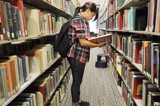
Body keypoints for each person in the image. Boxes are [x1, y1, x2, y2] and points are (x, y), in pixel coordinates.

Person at [67, 2, 107, 106]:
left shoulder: (81, 20)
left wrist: (94, 40)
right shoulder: (79, 20)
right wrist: (98, 45)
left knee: (78, 80)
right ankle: (75, 103)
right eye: (92, 15)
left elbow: (83, 38)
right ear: (88, 10)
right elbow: (83, 42)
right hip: (76, 55)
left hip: (79, 54)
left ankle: (78, 101)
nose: (91, 18)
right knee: (76, 81)